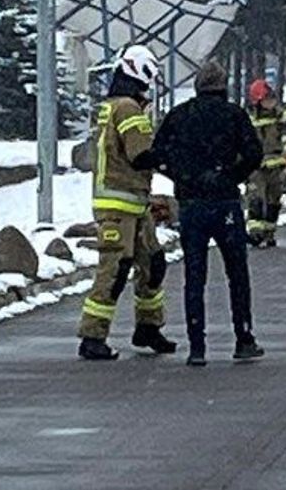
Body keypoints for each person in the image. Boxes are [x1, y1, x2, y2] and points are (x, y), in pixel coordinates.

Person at [151, 60, 265, 367]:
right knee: (237, 274)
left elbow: (158, 153)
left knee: (195, 275)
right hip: (226, 203)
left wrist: (184, 177)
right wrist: (230, 176)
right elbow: (255, 154)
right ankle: (243, 338)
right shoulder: (234, 115)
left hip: (192, 206)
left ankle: (197, 346)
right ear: (223, 86)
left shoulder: (179, 116)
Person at [77, 45, 178, 361]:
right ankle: (92, 336)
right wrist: (174, 161)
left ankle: (148, 327)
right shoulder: (127, 109)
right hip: (118, 206)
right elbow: (141, 155)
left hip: (134, 204)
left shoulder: (117, 105)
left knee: (153, 264)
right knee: (115, 269)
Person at [245, 78, 286, 249]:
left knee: (274, 201)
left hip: (276, 166)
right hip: (256, 168)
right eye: (267, 99)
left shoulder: (280, 117)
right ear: (258, 101)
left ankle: (269, 232)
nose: (271, 102)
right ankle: (255, 233)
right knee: (256, 198)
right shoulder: (249, 119)